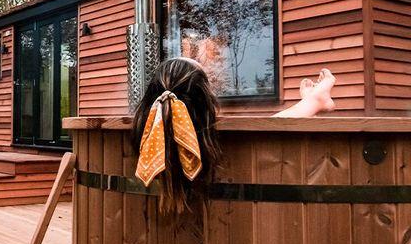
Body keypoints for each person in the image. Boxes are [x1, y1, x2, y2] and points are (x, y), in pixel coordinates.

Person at [132, 58, 336, 214]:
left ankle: (315, 100)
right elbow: (268, 125)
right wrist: (310, 104)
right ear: (207, 103)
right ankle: (315, 100)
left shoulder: (142, 130)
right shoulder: (209, 139)